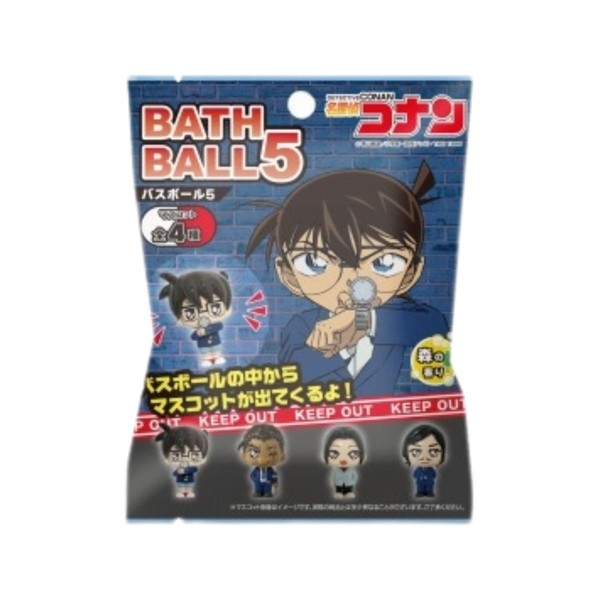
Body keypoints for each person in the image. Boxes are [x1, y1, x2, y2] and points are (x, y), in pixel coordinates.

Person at [246, 163, 448, 396]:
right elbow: (292, 376)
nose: (352, 282)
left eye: (383, 262)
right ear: (289, 275)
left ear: (410, 273)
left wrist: (363, 321)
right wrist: (332, 346)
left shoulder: (407, 319)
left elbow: (435, 327)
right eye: (315, 262)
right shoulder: (302, 327)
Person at [159, 270, 232, 367]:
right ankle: (206, 359)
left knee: (216, 350)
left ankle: (217, 357)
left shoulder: (215, 325)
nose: (204, 315)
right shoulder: (198, 329)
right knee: (205, 353)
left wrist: (205, 331)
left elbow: (219, 326)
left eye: (215, 307)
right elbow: (193, 337)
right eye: (190, 311)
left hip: (216, 343)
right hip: (203, 346)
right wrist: (198, 333)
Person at [155, 423, 209, 499]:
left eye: (194, 455)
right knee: (181, 486)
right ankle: (182, 493)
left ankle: (188, 493)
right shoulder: (179, 468)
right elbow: (175, 473)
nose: (185, 458)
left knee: (189, 487)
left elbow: (194, 469)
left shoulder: (191, 468)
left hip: (189, 480)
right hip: (180, 481)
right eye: (176, 454)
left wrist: (185, 470)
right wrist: (179, 471)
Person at [238, 424, 286, 498]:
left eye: (271, 453)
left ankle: (267, 493)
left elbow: (274, 477)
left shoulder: (270, 471)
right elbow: (252, 475)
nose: (262, 460)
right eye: (254, 453)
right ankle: (258, 492)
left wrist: (274, 481)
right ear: (244, 456)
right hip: (258, 483)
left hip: (268, 484)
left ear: (282, 455)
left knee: (267, 490)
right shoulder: (256, 471)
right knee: (258, 489)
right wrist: (255, 480)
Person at [401, 424, 446, 498]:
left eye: (434, 451)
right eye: (416, 451)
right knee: (419, 487)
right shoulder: (418, 470)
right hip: (420, 482)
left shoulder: (431, 470)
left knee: (430, 487)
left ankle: (429, 492)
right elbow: (415, 475)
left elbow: (434, 475)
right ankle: (420, 492)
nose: (424, 457)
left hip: (429, 482)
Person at [323, 426, 365, 499]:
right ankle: (338, 492)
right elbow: (332, 477)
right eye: (334, 453)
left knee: (349, 490)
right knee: (338, 490)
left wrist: (353, 482)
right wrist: (333, 483)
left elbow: (355, 476)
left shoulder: (351, 470)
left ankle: (349, 492)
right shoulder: (335, 470)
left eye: (353, 453)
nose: (343, 459)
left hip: (349, 483)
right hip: (338, 484)